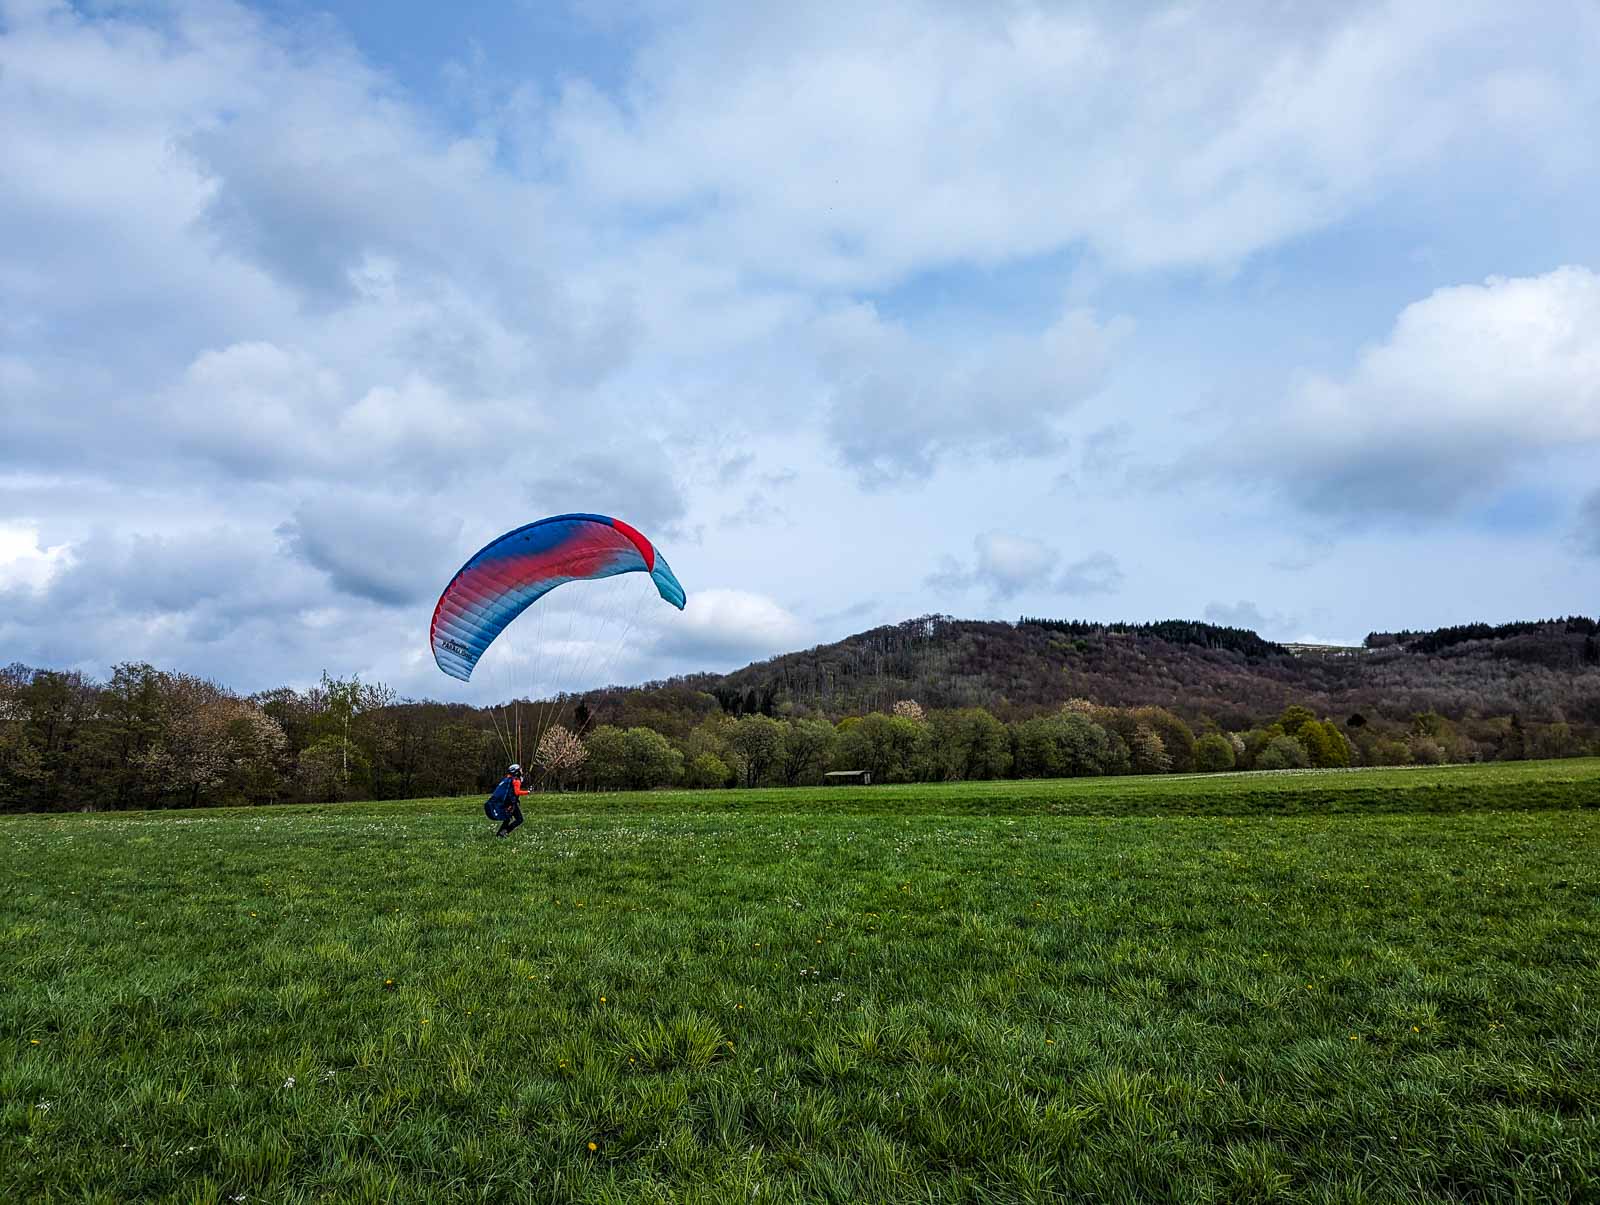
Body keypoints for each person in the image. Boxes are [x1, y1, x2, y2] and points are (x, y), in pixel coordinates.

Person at [487, 764, 530, 838]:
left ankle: (500, 834)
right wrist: (527, 792)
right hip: (511, 803)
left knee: (507, 818)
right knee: (519, 819)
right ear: (517, 772)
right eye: (520, 770)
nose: (521, 771)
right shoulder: (516, 780)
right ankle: (504, 832)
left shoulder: (509, 779)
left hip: (506, 802)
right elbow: (517, 792)